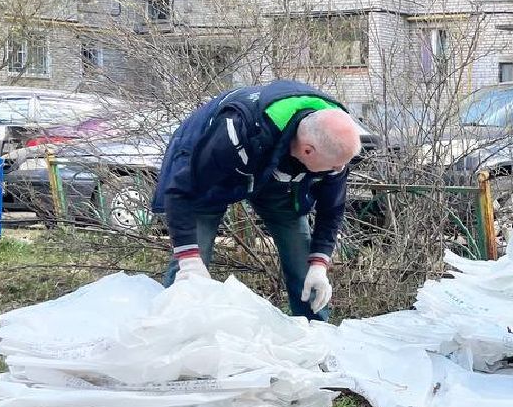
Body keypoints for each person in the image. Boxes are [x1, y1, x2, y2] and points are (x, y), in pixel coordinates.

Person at [152, 80, 363, 321]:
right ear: (307, 150)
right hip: (217, 172)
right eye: (335, 166)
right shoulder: (235, 131)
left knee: (303, 262)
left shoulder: (336, 144)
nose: (340, 169)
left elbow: (331, 209)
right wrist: (189, 260)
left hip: (278, 179)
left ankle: (315, 340)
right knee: (190, 267)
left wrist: (319, 264)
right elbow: (181, 191)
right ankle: (170, 332)